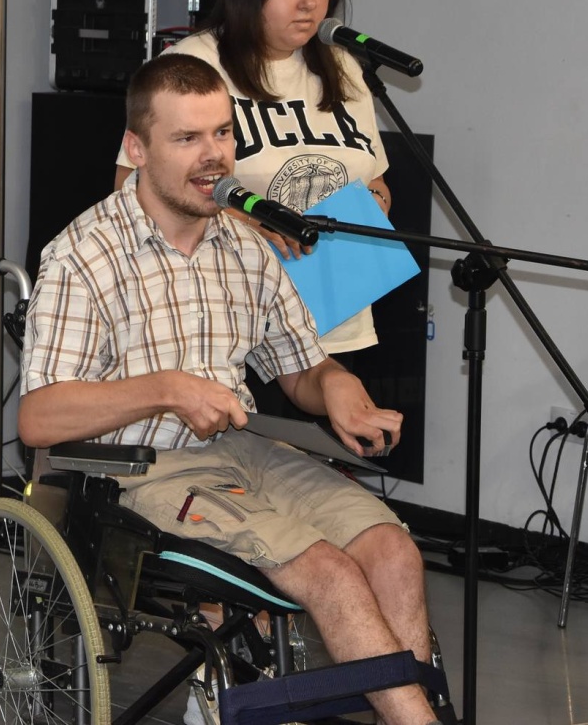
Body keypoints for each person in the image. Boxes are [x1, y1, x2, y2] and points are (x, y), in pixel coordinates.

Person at [23, 54, 439, 725]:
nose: (213, 155)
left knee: (392, 552)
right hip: (135, 469)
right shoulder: (84, 255)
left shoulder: (245, 248)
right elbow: (39, 419)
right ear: (137, 148)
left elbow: (301, 371)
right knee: (329, 572)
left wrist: (335, 385)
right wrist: (165, 389)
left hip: (242, 452)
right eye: (187, 138)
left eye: (222, 133)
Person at [114, 0, 390, 357]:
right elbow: (131, 191)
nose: (309, 1)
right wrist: (248, 224)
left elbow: (375, 179)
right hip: (228, 327)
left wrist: (372, 206)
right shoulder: (193, 65)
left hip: (337, 320)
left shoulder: (342, 67)